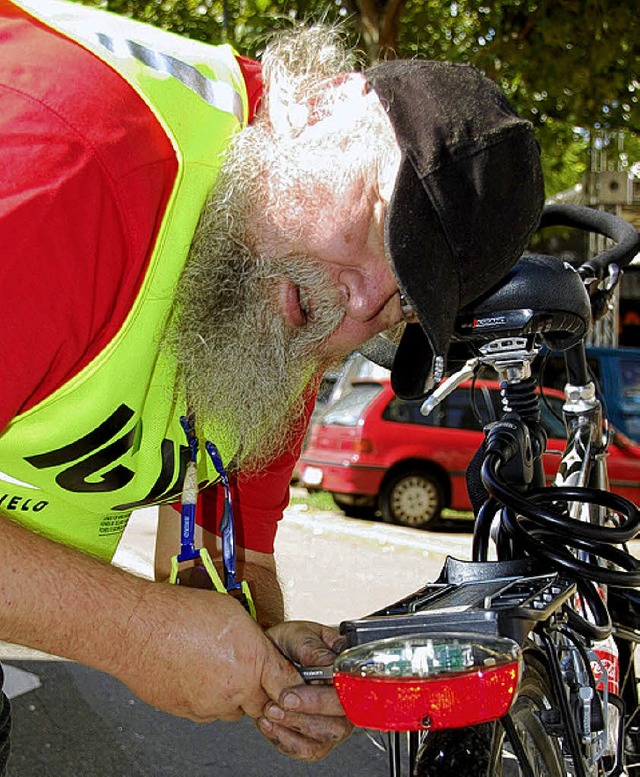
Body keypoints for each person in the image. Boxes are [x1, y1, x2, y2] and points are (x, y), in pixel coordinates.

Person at [0, 0, 545, 770]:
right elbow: (147, 619)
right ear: (323, 105)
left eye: (400, 303)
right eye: (377, 227)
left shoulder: (281, 295)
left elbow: (227, 565)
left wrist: (275, 667)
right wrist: (135, 630)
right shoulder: (77, 169)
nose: (358, 306)